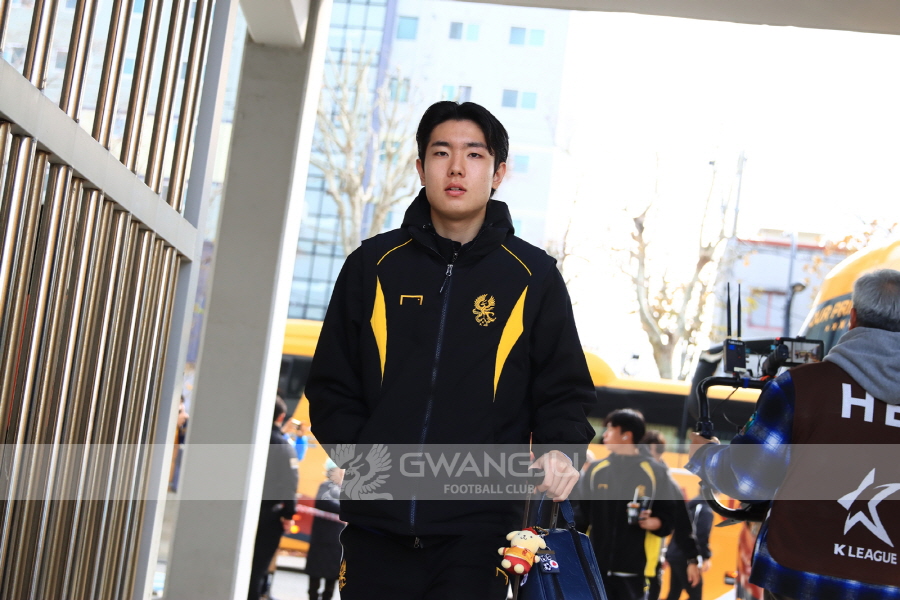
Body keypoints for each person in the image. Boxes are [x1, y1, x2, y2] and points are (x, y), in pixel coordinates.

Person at [306, 100, 596, 600]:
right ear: (421, 168)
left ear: (498, 173)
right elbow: (331, 384)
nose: (457, 167)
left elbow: (564, 390)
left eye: (474, 154)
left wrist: (560, 450)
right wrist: (367, 463)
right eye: (442, 153)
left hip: (481, 533)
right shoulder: (373, 265)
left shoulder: (533, 276)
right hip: (376, 527)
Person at [688, 268, 900, 600]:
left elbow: (746, 482)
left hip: (800, 574)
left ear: (853, 318)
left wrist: (704, 455)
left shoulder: (801, 386)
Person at [576, 409, 677, 600]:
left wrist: (654, 522)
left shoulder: (655, 472)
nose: (604, 435)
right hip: (595, 570)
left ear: (626, 435)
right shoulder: (596, 470)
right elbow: (580, 517)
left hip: (634, 574)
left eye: (610, 429)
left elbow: (669, 517)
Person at [248, 396, 300, 600]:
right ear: (281, 416)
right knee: (257, 569)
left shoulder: (249, 438)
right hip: (268, 515)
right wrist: (289, 514)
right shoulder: (283, 445)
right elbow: (290, 482)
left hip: (241, 511)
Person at [640, 430, 702, 600]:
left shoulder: (666, 483)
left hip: (647, 567)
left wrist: (692, 559)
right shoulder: (626, 475)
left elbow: (683, 524)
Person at [306, 460, 345, 600]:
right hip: (322, 539)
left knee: (332, 575)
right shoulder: (326, 486)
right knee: (316, 573)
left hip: (336, 541)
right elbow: (324, 502)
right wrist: (345, 510)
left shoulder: (343, 489)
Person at [664, 492, 712, 600]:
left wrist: (668, 552)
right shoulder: (704, 510)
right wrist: (705, 556)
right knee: (695, 594)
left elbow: (678, 531)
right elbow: (701, 535)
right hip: (685, 556)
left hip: (674, 553)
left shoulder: (689, 506)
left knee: (674, 593)